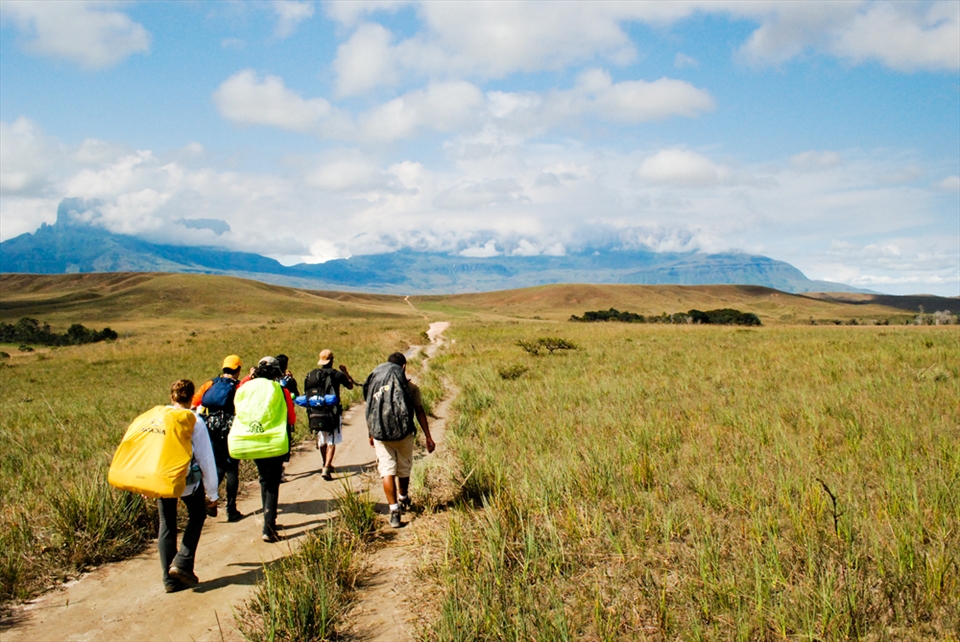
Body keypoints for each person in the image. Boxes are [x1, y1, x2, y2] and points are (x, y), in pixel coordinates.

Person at [159, 380, 219, 593]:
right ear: (191, 397)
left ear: (171, 397)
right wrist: (212, 493)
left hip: (162, 478)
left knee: (167, 523)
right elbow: (205, 458)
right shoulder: (194, 420)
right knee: (197, 515)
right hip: (187, 479)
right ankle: (182, 561)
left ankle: (169, 581)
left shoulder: (159, 418)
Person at [363, 352, 435, 529]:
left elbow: (371, 411)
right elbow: (419, 411)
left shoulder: (376, 384)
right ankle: (403, 497)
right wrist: (428, 436)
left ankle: (394, 510)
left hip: (381, 434)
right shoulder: (411, 387)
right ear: (403, 367)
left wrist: (371, 433)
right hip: (404, 434)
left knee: (387, 471)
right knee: (403, 468)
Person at [236, 356, 295, 542]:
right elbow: (291, 418)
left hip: (252, 439)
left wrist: (248, 377)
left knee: (263, 479)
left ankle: (267, 520)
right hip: (274, 441)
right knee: (272, 482)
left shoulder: (245, 387)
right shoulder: (280, 389)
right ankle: (269, 527)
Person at [191, 355, 243, 522]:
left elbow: (194, 404)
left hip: (211, 428)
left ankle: (211, 501)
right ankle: (231, 509)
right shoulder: (239, 386)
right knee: (232, 467)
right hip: (230, 429)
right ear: (238, 369)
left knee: (218, 465)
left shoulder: (210, 383)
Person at [302, 349, 358, 480]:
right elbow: (350, 386)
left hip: (316, 411)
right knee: (332, 440)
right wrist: (345, 372)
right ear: (332, 360)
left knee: (322, 439)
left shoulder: (313, 375)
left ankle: (325, 462)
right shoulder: (336, 374)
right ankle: (327, 467)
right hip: (332, 412)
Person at [275, 354, 299, 483]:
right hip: (285, 415)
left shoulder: (270, 380)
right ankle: (280, 470)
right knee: (284, 442)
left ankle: (276, 470)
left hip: (272, 416)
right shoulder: (288, 381)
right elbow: (297, 395)